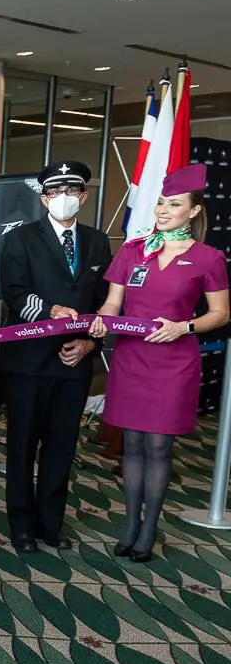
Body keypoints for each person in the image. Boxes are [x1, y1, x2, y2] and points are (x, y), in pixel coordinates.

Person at [90, 163, 229, 561]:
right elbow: (113, 303)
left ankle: (150, 527)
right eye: (161, 203)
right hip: (132, 357)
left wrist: (184, 326)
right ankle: (130, 523)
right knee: (131, 444)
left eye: (174, 204)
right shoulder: (134, 251)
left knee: (158, 446)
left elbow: (220, 314)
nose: (164, 210)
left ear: (195, 211)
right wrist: (101, 320)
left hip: (175, 361)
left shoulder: (208, 258)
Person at [0, 161, 112, 553]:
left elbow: (104, 304)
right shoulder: (20, 238)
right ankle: (21, 527)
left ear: (82, 196)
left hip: (75, 362)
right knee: (22, 446)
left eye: (71, 192)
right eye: (54, 193)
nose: (62, 199)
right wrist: (51, 311)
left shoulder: (98, 242)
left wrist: (91, 344)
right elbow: (13, 294)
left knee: (62, 446)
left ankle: (51, 524)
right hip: (28, 362)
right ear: (43, 197)